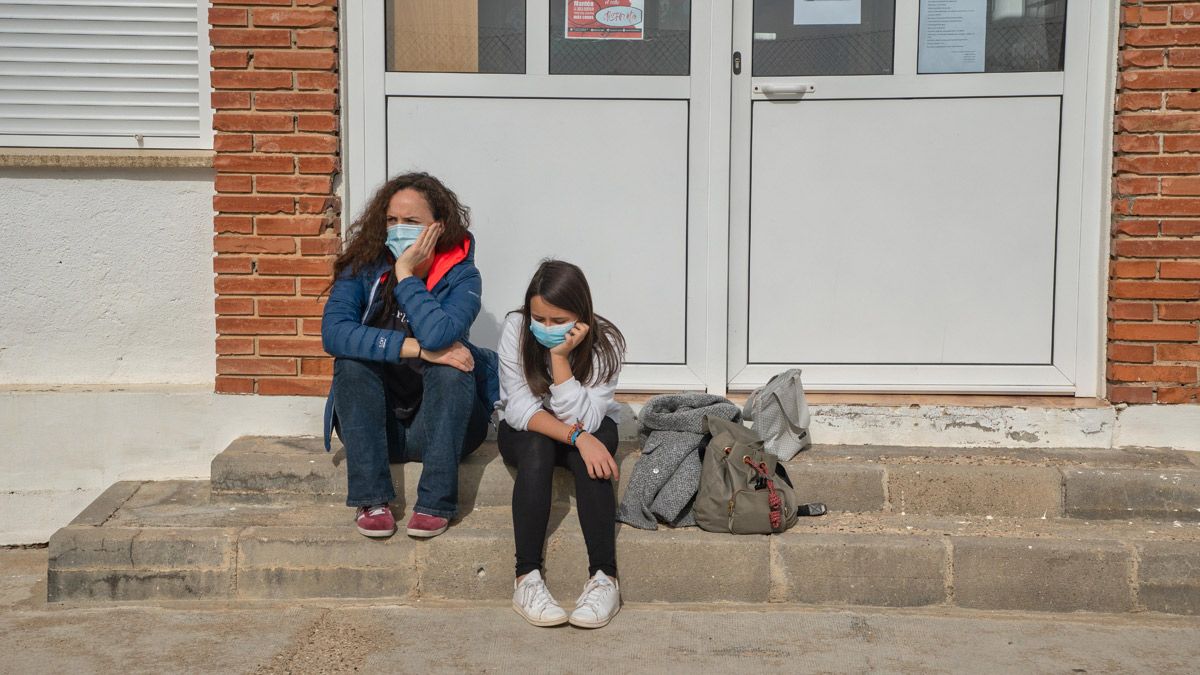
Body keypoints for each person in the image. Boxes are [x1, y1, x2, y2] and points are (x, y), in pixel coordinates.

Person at [321, 172, 497, 539]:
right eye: (391, 220)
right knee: (351, 363)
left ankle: (435, 504)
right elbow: (334, 333)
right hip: (377, 428)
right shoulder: (362, 268)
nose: (398, 229)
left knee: (454, 364)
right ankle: (371, 500)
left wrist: (405, 274)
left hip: (444, 429)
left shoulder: (463, 277)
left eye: (411, 222)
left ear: (438, 226)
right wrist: (414, 349)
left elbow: (438, 334)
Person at [496, 259, 627, 628]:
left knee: (595, 458)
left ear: (581, 316)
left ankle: (604, 578)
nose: (547, 328)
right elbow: (520, 407)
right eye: (540, 319)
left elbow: (587, 419)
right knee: (538, 447)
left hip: (586, 422)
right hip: (530, 431)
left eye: (558, 321)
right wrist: (577, 437)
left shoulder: (607, 343)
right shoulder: (516, 329)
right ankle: (526, 578)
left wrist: (559, 359)